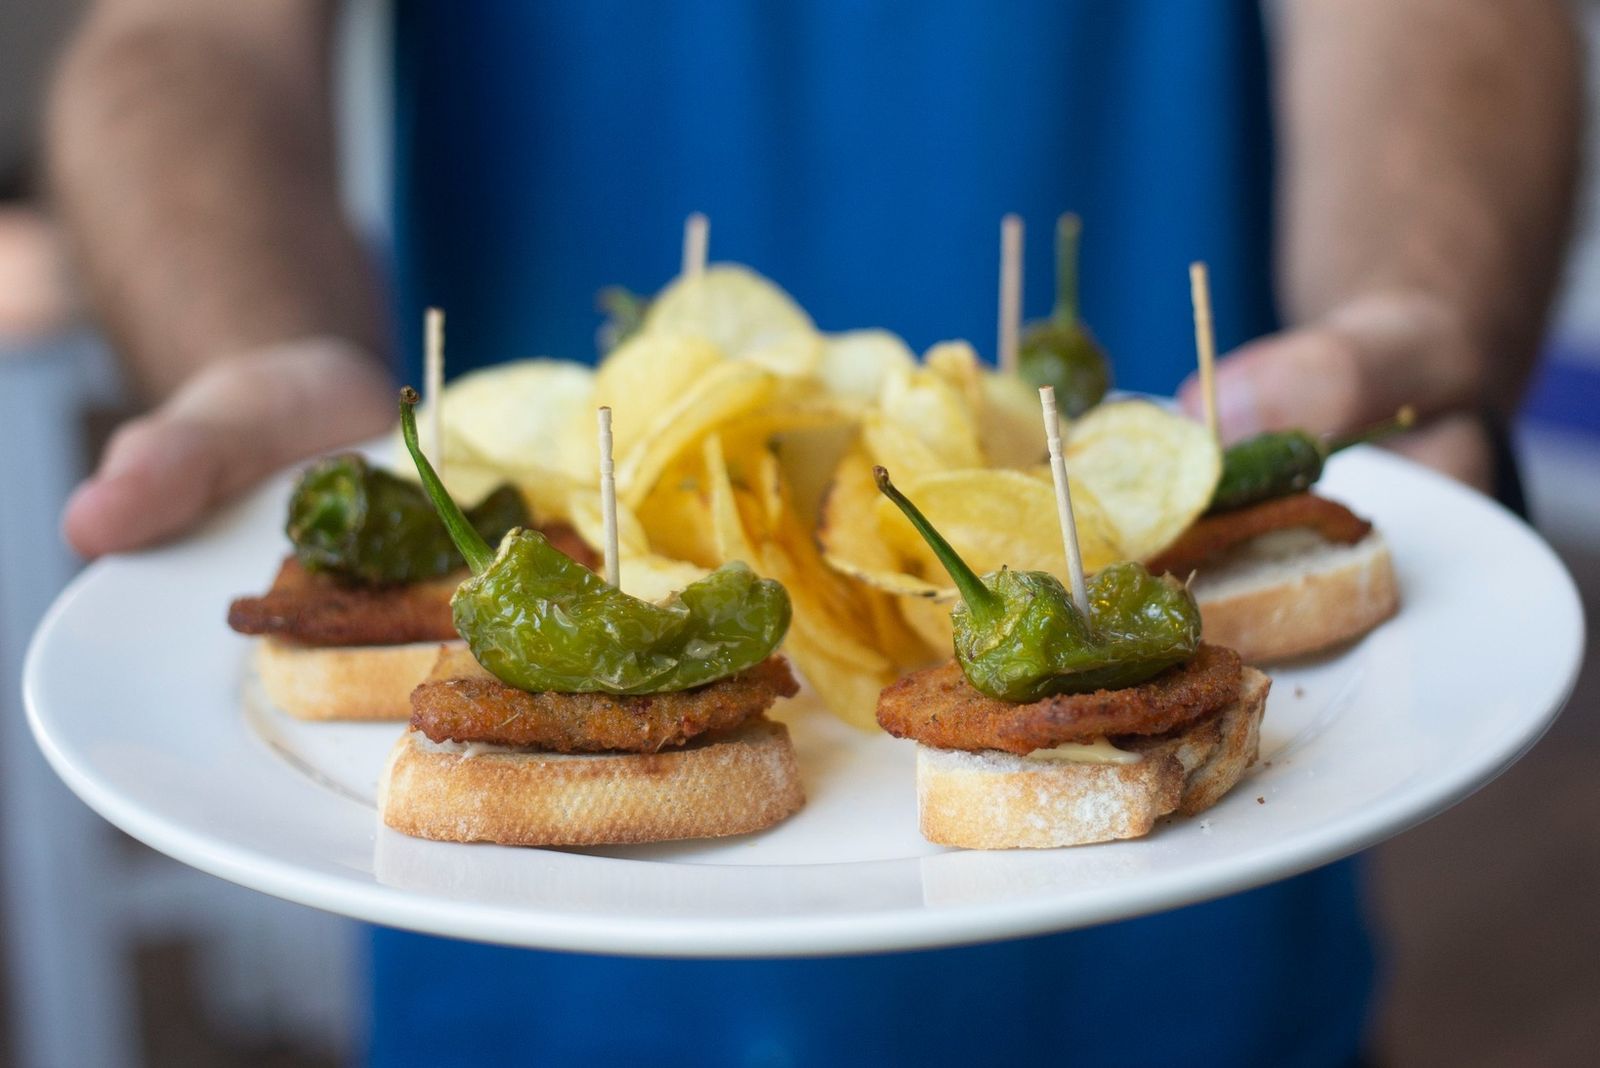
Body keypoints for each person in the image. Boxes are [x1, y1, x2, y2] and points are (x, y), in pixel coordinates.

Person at [47, 2, 1580, 1065]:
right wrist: (250, 355)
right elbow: (182, 34)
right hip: (524, 998)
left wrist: (1418, 307)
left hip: (1194, 984)